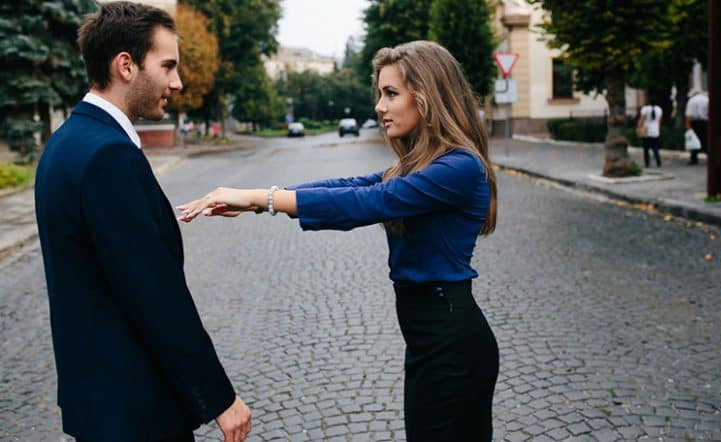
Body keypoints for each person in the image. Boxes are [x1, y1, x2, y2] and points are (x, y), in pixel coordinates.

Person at [178, 40, 500, 441]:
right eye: (380, 94)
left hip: (452, 345)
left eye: (391, 93)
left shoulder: (460, 167)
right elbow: (350, 186)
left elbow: (367, 202)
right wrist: (258, 200)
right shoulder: (415, 167)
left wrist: (262, 199)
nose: (379, 106)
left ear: (427, 95)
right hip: (429, 341)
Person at [34, 3, 251, 441]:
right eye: (167, 66)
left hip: (99, 403)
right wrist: (220, 397)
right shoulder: (109, 155)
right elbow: (154, 293)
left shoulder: (65, 143)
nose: (178, 81)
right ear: (126, 65)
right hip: (134, 410)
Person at [685, 89, 709, 165]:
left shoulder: (691, 101)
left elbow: (689, 115)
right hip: (706, 122)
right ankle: (710, 158)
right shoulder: (707, 99)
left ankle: (694, 159)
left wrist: (688, 128)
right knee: (706, 141)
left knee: (694, 141)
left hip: (695, 123)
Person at [637, 99, 663, 167]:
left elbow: (642, 119)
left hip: (646, 131)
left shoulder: (645, 109)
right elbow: (660, 121)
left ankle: (647, 163)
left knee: (646, 148)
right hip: (655, 131)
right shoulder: (659, 109)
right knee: (655, 148)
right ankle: (658, 161)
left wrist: (638, 127)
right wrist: (659, 129)